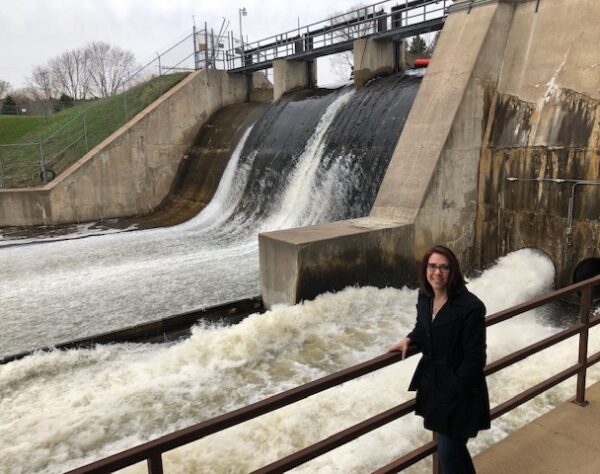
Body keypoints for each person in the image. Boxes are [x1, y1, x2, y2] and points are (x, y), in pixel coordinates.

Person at [388, 245, 490, 474]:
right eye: (432, 266)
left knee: (448, 452)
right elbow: (423, 328)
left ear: (453, 271)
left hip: (461, 392)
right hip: (434, 387)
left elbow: (475, 359)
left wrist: (453, 389)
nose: (437, 273)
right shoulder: (425, 296)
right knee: (450, 453)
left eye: (444, 268)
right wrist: (409, 339)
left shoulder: (471, 307)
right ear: (426, 268)